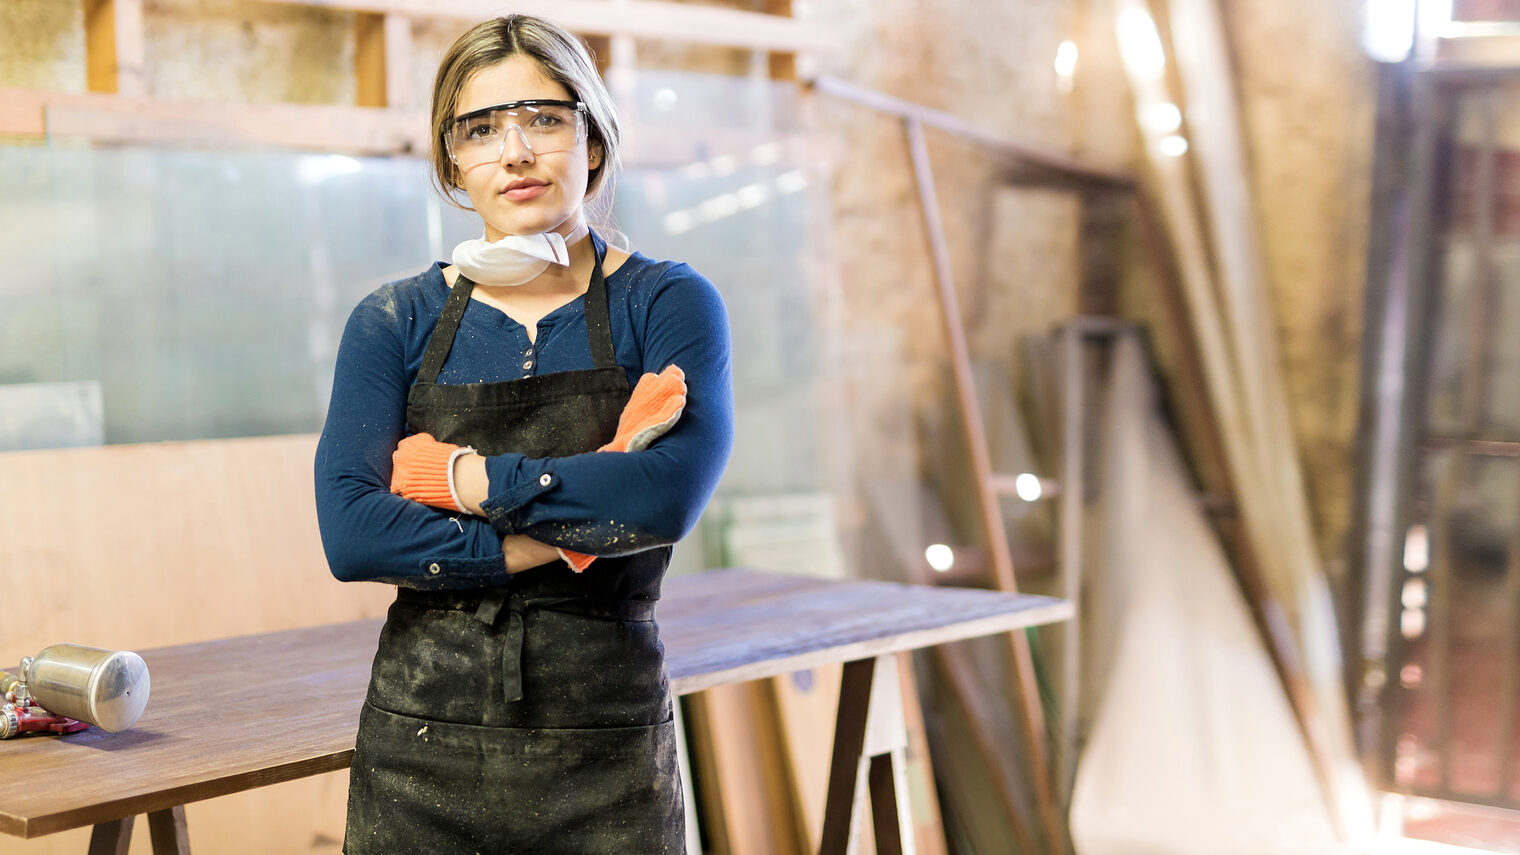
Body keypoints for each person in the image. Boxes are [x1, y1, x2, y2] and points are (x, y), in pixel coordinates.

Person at [313, 13, 733, 853]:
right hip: (418, 746)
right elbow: (352, 532)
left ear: (595, 140)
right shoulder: (395, 319)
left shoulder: (667, 304)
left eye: (545, 117)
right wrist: (561, 534)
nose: (515, 151)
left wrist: (462, 479)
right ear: (452, 162)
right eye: (481, 128)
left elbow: (663, 497)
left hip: (607, 748)